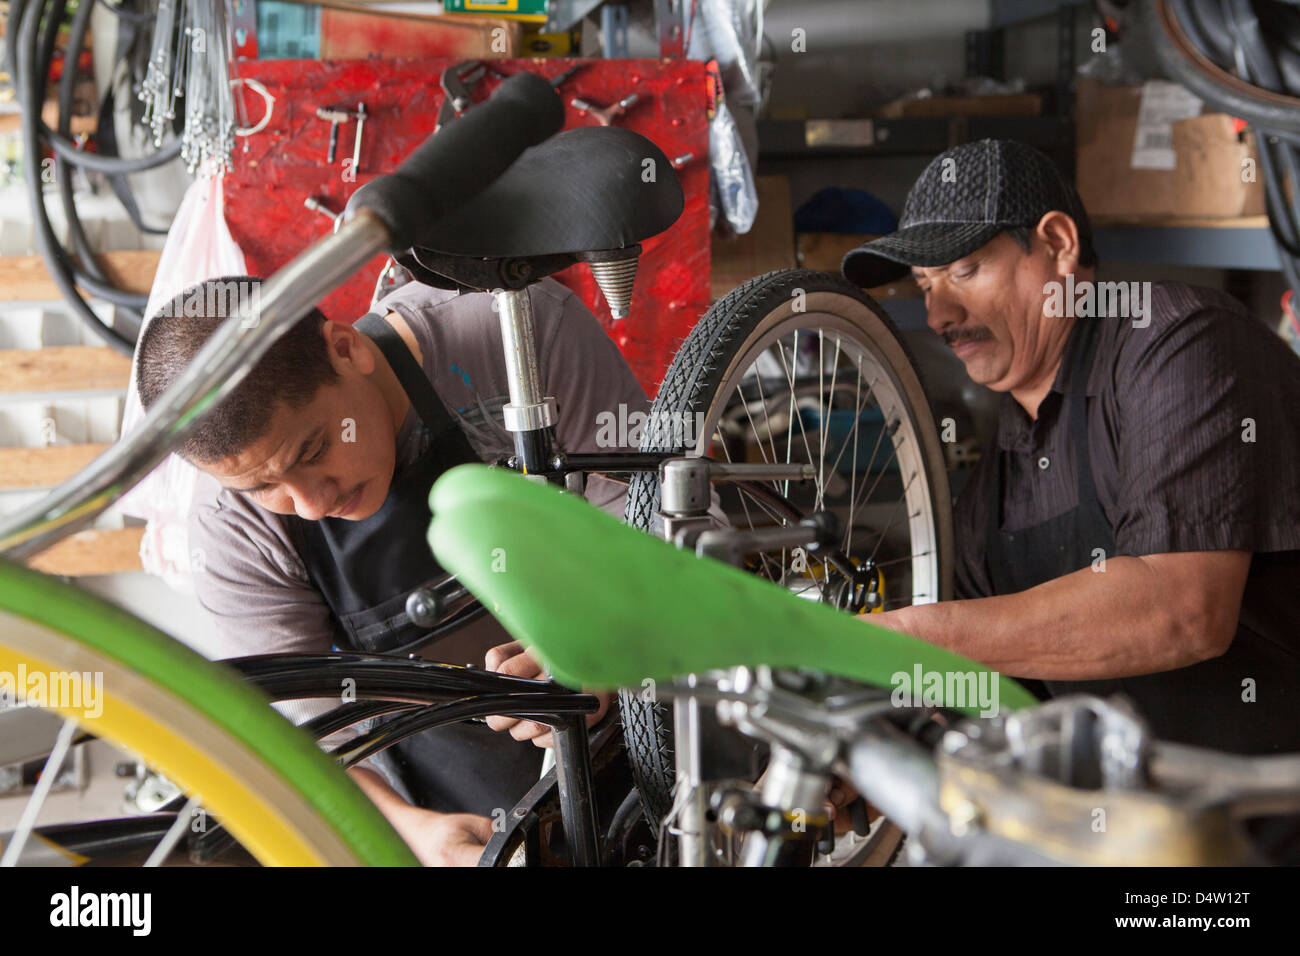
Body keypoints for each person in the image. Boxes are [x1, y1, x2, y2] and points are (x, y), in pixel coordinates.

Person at [841, 139, 1300, 862]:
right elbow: (977, 681)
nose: (940, 314)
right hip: (1139, 843)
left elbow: (1183, 608)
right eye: (924, 285)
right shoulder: (1003, 462)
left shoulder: (1178, 344)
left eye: (965, 269)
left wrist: (910, 638)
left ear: (1056, 246)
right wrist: (870, 729)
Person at [135, 274, 647, 865]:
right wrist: (416, 835)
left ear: (346, 348)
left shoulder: (513, 336)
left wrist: (609, 648)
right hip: (462, 810)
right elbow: (303, 742)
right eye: (263, 486)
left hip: (657, 716)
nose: (310, 503)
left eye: (312, 451)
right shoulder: (233, 531)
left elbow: (664, 531)